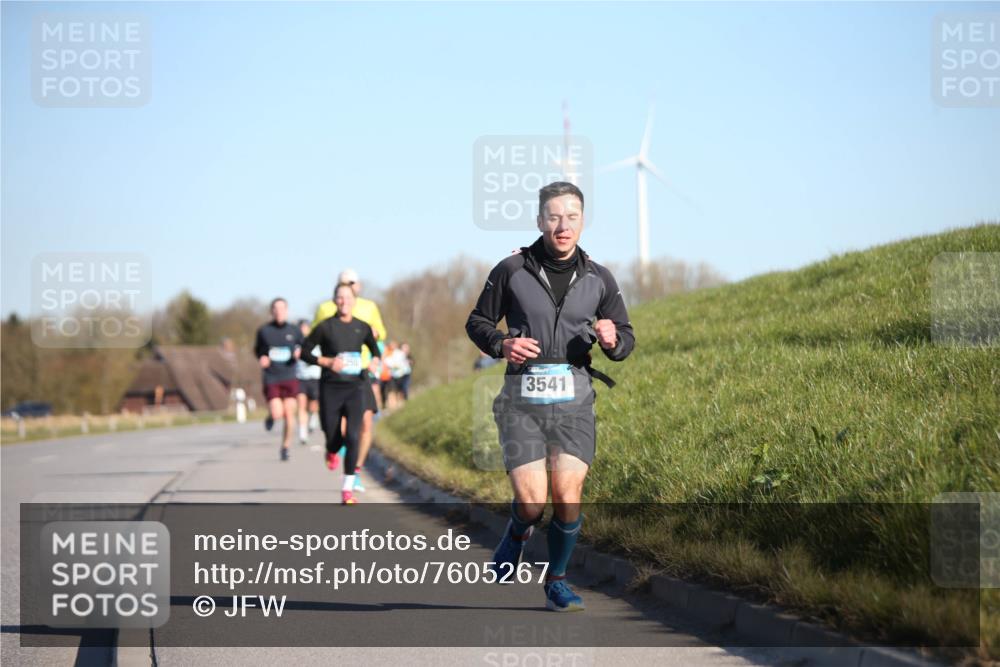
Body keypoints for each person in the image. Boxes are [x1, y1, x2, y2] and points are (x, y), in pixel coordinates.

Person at [465, 181, 635, 612]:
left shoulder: (599, 277)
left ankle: (556, 581)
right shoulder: (511, 270)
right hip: (521, 401)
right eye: (554, 216)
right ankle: (517, 532)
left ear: (582, 221)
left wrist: (613, 340)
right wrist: (502, 344)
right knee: (531, 500)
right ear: (540, 221)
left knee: (567, 492)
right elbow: (477, 322)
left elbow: (625, 338)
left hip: (575, 401)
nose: (563, 225)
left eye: (572, 216)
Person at [301, 284, 381, 505]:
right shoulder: (325, 327)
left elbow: (375, 350)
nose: (344, 301)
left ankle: (347, 489)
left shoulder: (362, 327)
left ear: (354, 300)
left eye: (348, 297)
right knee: (333, 435)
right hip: (331, 388)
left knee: (353, 436)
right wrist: (325, 361)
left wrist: (375, 361)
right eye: (340, 297)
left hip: (355, 387)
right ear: (335, 301)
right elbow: (304, 352)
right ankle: (331, 450)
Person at [254, 298, 304, 461]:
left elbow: (304, 347)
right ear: (271, 311)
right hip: (272, 376)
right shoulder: (264, 331)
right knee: (277, 413)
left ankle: (285, 446)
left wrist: (299, 353)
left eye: (282, 308)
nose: (279, 311)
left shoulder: (295, 330)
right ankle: (271, 416)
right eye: (276, 309)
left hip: (290, 376)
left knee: (290, 414)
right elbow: (258, 350)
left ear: (287, 310)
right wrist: (262, 357)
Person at [295, 320, 322, 445]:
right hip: (301, 378)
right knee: (301, 405)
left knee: (313, 405)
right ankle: (302, 432)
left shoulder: (316, 342)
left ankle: (313, 416)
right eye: (302, 327)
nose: (303, 330)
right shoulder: (296, 343)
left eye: (306, 327)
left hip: (315, 377)